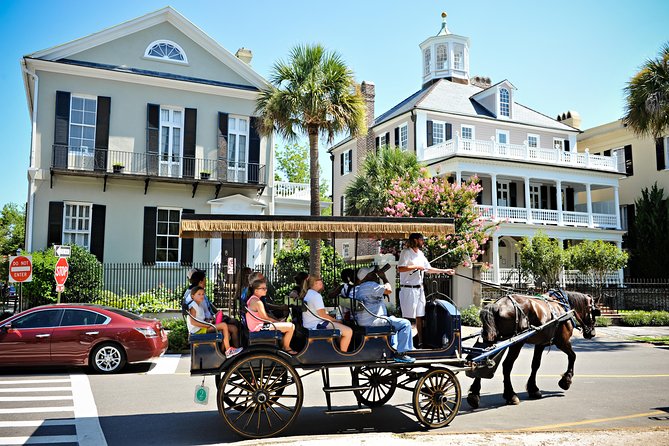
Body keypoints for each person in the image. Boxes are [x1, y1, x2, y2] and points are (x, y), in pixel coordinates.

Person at [397, 233, 455, 347]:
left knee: (419, 316)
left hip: (419, 289)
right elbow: (400, 268)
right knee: (409, 318)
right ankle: (406, 344)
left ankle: (420, 342)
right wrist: (416, 267)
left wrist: (445, 271)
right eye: (421, 239)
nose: (423, 242)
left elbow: (428, 269)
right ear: (415, 240)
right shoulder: (406, 252)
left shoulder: (420, 254)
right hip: (408, 289)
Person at [350, 266, 416, 363]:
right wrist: (384, 277)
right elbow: (389, 290)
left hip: (364, 321)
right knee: (405, 323)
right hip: (374, 321)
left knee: (391, 320)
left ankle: (394, 347)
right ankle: (401, 354)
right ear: (367, 276)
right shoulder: (371, 285)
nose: (375, 274)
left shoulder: (359, 288)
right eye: (372, 273)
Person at [184, 268, 239, 347]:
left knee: (233, 323)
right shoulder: (195, 299)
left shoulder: (198, 294)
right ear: (201, 282)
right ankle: (229, 352)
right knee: (233, 328)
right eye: (205, 279)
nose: (206, 281)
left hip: (208, 322)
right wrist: (209, 322)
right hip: (203, 326)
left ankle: (228, 351)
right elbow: (195, 320)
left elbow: (207, 309)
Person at [186, 286, 243, 359]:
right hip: (199, 330)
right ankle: (228, 350)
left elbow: (199, 319)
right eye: (199, 294)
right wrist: (206, 325)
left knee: (226, 330)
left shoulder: (198, 305)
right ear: (192, 296)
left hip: (202, 328)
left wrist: (208, 321)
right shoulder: (193, 306)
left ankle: (224, 352)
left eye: (203, 294)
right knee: (223, 325)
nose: (201, 296)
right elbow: (193, 322)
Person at [301, 275, 353, 352]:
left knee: (340, 330)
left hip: (309, 324)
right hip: (316, 325)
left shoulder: (309, 293)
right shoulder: (316, 296)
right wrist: (337, 321)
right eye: (320, 280)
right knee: (349, 331)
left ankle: (338, 350)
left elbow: (319, 313)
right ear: (315, 283)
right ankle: (343, 355)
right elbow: (323, 315)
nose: (322, 282)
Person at [245, 279, 297, 354]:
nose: (265, 290)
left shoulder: (253, 299)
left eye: (266, 288)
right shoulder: (257, 302)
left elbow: (264, 316)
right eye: (263, 288)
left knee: (286, 325)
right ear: (256, 291)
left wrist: (277, 321)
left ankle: (283, 346)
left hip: (256, 326)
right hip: (259, 328)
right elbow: (264, 317)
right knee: (291, 326)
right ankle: (286, 348)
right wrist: (277, 322)